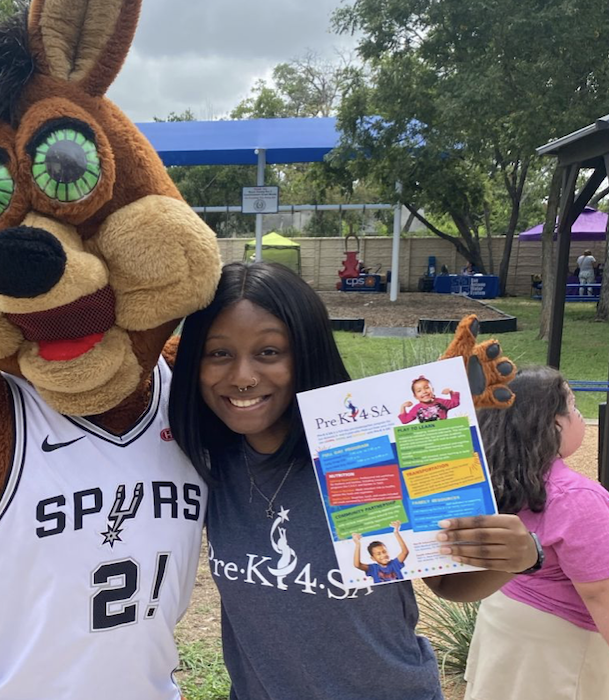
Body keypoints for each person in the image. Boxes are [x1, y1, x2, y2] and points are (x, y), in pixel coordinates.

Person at [169, 261, 541, 700]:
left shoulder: (360, 455)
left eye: (269, 352)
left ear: (305, 352)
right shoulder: (208, 463)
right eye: (219, 353)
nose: (243, 376)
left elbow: (449, 583)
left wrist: (515, 556)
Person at [464, 367, 609, 700]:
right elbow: (602, 594)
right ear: (551, 423)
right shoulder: (576, 499)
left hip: (502, 624)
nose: (580, 416)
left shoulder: (489, 482)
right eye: (572, 406)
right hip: (559, 654)